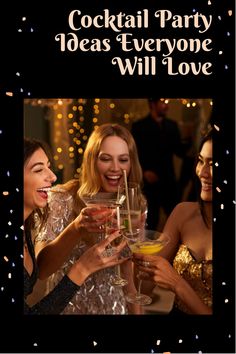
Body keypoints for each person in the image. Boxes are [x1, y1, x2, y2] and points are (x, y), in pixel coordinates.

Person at [34, 123, 144, 314]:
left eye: (123, 159)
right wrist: (77, 228)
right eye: (106, 159)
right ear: (92, 161)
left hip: (116, 309)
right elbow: (42, 270)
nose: (115, 168)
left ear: (131, 163)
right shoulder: (62, 197)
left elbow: (129, 281)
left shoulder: (135, 204)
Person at [133, 128, 213, 314]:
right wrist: (134, 244)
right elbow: (144, 287)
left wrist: (177, 284)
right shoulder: (182, 213)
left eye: (214, 164)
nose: (203, 172)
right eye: (201, 161)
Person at [131, 98, 186, 230]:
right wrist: (144, 171)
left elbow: (179, 151)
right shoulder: (139, 126)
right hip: (149, 182)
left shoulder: (172, 125)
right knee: (150, 221)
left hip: (169, 180)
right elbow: (133, 154)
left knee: (176, 217)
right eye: (162, 102)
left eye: (167, 102)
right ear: (152, 104)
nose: (166, 105)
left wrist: (191, 139)